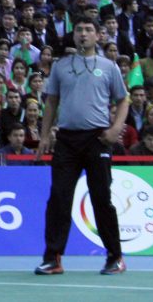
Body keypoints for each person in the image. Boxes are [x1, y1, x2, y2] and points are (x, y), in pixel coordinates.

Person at [35, 17, 129, 276]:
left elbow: (123, 100)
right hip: (66, 140)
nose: (83, 34)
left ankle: (115, 257)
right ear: (74, 35)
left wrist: (115, 129)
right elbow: (51, 102)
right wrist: (44, 135)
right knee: (59, 198)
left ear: (98, 35)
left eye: (88, 30)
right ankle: (53, 258)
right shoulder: (60, 66)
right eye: (79, 30)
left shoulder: (109, 66)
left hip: (97, 139)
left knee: (101, 198)